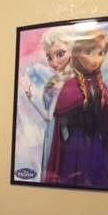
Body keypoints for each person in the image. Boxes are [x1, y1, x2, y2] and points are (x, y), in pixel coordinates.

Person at [45, 30, 108, 188]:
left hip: (97, 148)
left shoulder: (102, 87)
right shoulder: (69, 86)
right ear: (76, 54)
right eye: (88, 53)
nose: (95, 59)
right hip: (74, 148)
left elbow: (107, 126)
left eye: (101, 53)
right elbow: (59, 126)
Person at [21, 26, 75, 179]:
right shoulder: (56, 81)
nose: (54, 62)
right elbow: (48, 116)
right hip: (55, 134)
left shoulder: (78, 80)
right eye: (49, 57)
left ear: (73, 50)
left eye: (60, 54)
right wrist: (30, 94)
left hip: (70, 139)